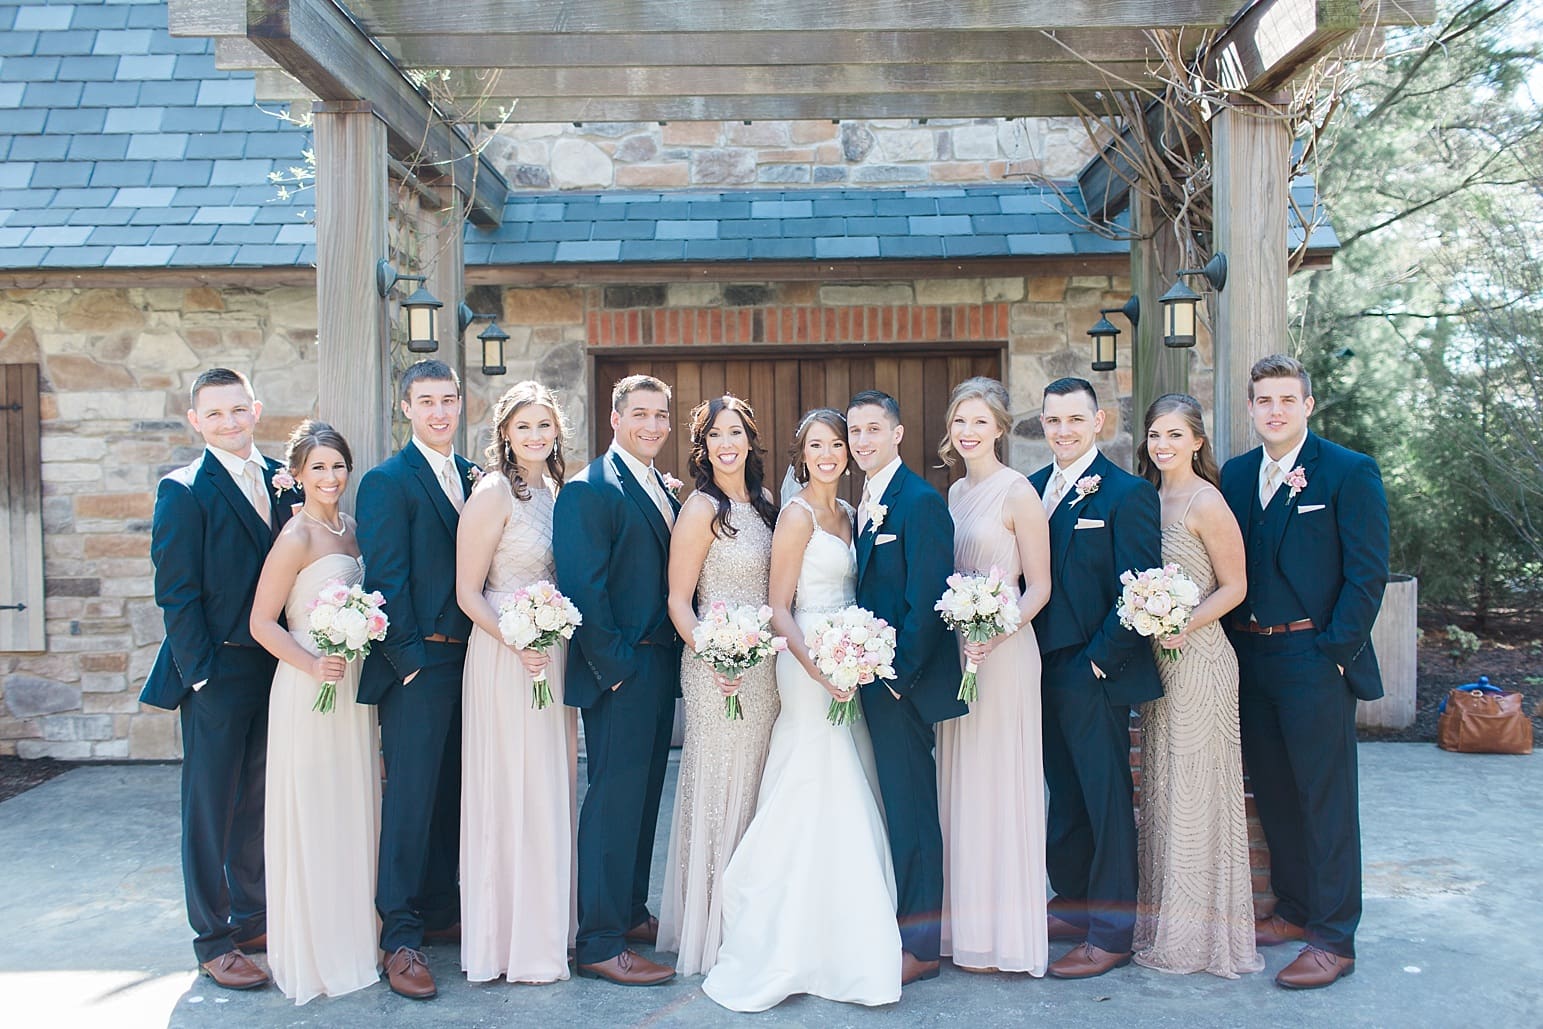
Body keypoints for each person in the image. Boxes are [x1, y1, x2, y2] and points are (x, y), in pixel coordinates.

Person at [703, 409, 901, 1012]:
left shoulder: (855, 514)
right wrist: (824, 668)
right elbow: (778, 607)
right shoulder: (797, 516)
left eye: (837, 444)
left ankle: (844, 931)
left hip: (850, 660)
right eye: (816, 445)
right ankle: (788, 939)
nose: (828, 454)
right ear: (801, 453)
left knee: (848, 779)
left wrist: (857, 660)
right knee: (816, 777)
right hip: (808, 660)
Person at [1220, 354, 1389, 990]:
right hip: (1250, 656)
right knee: (1276, 793)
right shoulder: (1236, 477)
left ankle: (1334, 937)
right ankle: (1293, 912)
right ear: (1251, 407)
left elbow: (1367, 572)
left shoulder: (1348, 471)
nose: (1275, 411)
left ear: (1307, 405)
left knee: (1326, 800)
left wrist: (1334, 652)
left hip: (1313, 659)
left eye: (1287, 400)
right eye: (1264, 401)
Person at [142, 367, 299, 990]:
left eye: (238, 410)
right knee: (210, 805)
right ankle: (212, 937)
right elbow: (174, 594)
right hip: (217, 668)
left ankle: (252, 915)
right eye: (215, 414)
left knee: (259, 798)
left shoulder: (282, 481)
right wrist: (201, 677)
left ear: (256, 410)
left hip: (277, 663)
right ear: (195, 421)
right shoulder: (182, 491)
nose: (230, 423)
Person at [1028, 376, 1162, 980]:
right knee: (1065, 794)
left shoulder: (1126, 494)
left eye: (1074, 420)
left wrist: (1098, 661)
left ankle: (1111, 932)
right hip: (1039, 670)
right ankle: (1074, 902)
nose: (1063, 431)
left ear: (1098, 422)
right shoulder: (1031, 491)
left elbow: (1140, 588)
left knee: (1106, 800)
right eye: (1053, 421)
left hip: (1095, 671)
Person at [553, 375, 682, 987]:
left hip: (659, 668)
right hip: (621, 675)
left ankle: (630, 913)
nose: (653, 426)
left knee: (645, 795)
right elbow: (585, 590)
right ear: (615, 418)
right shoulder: (589, 489)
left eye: (661, 415)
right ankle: (599, 941)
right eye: (641, 414)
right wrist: (618, 672)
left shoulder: (661, 486)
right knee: (611, 802)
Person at [1131, 394, 1263, 979]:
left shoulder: (1207, 502)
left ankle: (1200, 939)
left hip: (1202, 659)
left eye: (1174, 436)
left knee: (1197, 794)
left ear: (1197, 442)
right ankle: (1167, 923)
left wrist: (1181, 622)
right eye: (1155, 435)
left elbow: (1234, 586)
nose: (1163, 446)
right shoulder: (1147, 498)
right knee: (1165, 788)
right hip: (1160, 663)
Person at [356, 359, 477, 1001]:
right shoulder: (386, 481)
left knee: (454, 790)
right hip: (418, 665)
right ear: (406, 408)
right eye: (426, 401)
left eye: (449, 399)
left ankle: (438, 908)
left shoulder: (474, 477)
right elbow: (385, 583)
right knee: (409, 799)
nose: (439, 411)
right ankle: (399, 934)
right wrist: (406, 667)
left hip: (472, 663)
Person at [249, 421, 381, 1003]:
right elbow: (260, 623)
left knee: (353, 806)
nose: (330, 477)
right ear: (297, 475)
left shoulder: (351, 529)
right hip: (309, 685)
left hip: (350, 684)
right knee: (315, 809)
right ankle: (315, 948)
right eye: (318, 468)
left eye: (337, 466)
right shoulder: (297, 535)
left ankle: (354, 936)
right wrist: (310, 665)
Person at [455, 382, 579, 986]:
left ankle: (548, 928)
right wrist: (516, 639)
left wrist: (544, 639)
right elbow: (466, 592)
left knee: (547, 781)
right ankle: (505, 940)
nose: (536, 437)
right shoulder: (493, 491)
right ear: (505, 432)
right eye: (525, 427)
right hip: (505, 654)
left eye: (545, 426)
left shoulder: (556, 492)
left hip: (549, 651)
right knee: (510, 783)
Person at [658, 396, 781, 976]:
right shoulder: (699, 508)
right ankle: (714, 931)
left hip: (764, 670)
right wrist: (713, 653)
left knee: (759, 786)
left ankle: (755, 924)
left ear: (750, 439)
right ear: (702, 446)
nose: (726, 443)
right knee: (720, 786)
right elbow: (680, 601)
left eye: (735, 432)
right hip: (716, 668)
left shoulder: (766, 505)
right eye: (715, 435)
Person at [847, 390, 966, 986]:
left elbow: (929, 599)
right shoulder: (865, 501)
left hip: (902, 686)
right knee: (892, 806)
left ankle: (920, 947)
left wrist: (897, 679)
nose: (862, 441)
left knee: (913, 810)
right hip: (866, 680)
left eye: (874, 429)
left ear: (897, 434)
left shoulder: (919, 501)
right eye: (855, 431)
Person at [934, 378, 1052, 976]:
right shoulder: (954, 492)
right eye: (960, 422)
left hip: (1004, 654)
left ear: (1000, 428)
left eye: (979, 421)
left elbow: (1040, 587)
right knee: (962, 784)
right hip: (959, 651)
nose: (968, 432)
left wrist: (995, 631)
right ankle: (965, 930)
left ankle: (1006, 936)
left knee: (1000, 782)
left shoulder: (1019, 493)